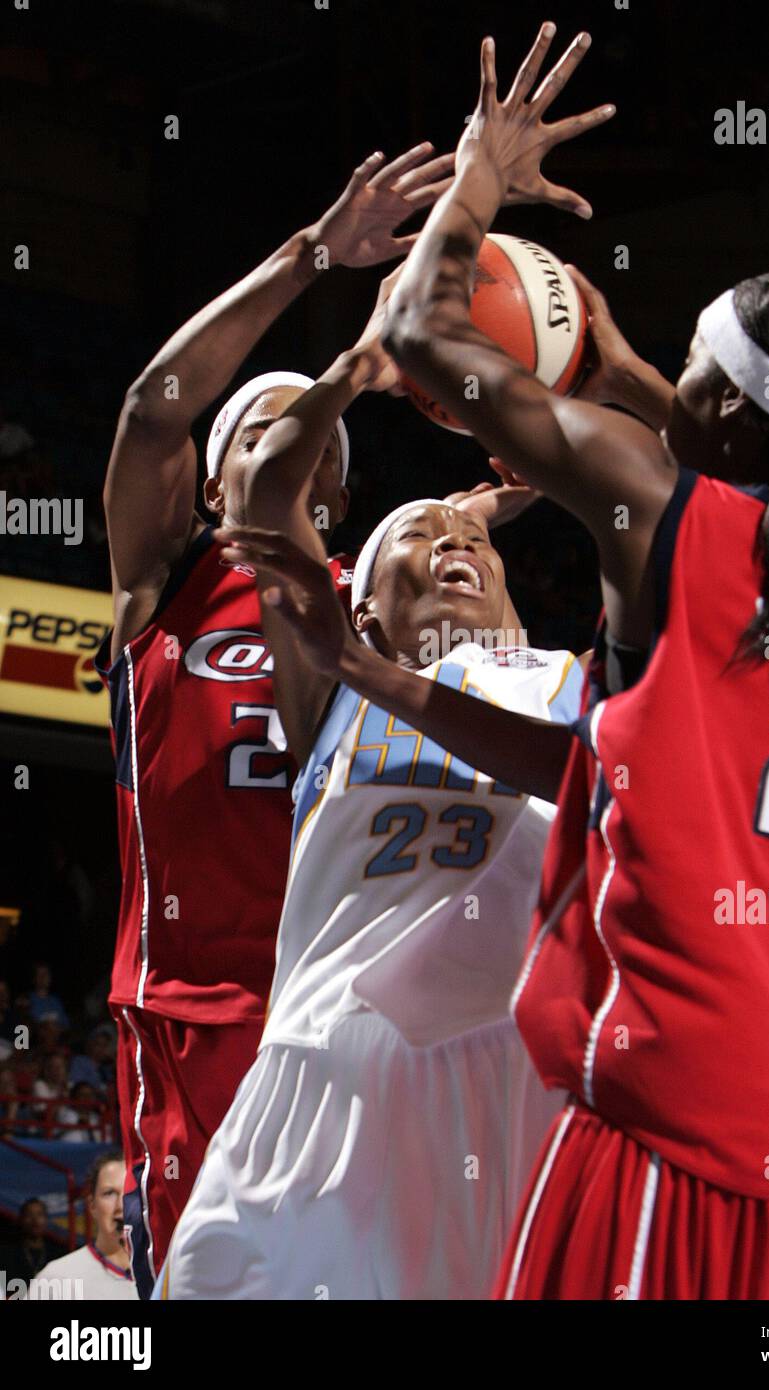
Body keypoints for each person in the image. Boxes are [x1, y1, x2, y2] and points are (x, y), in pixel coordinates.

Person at [284, 23, 769, 1299]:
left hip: (684, 1118)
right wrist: (620, 372)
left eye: (683, 371)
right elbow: (595, 767)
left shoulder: (669, 512)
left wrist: (477, 174)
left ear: (721, 406)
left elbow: (414, 330)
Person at [154, 292, 584, 1297]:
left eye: (474, 543)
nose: (455, 547)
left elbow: (668, 521)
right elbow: (262, 499)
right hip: (321, 1072)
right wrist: (356, 364)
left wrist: (536, 474)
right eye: (416, 539)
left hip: (517, 1085)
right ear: (362, 610)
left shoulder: (575, 678)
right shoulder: (336, 682)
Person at [95, 140, 453, 1299]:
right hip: (194, 1009)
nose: (269, 451)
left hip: (343, 1012)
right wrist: (315, 257)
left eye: (300, 441)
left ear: (336, 490)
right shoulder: (162, 583)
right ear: (211, 481)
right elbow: (154, 405)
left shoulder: (365, 602)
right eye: (248, 433)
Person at [27, 1152, 137, 1301]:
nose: (121, 1205)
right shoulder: (57, 1278)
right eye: (109, 1193)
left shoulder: (166, 1275)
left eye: (130, 1192)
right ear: (92, 1205)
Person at [0, 1199, 57, 1288]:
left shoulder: (57, 1255)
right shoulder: (6, 1254)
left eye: (39, 1215)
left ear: (46, 1219)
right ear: (21, 1219)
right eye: (29, 1215)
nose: (35, 1220)